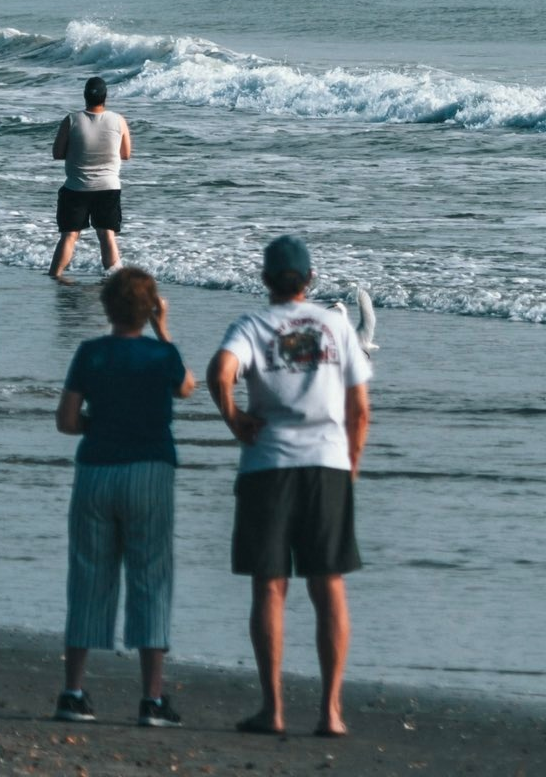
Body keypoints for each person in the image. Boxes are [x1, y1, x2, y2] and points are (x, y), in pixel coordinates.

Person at [207, 236, 371, 739]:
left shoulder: (252, 326)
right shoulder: (335, 325)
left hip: (268, 466)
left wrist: (235, 419)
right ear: (310, 279)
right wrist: (351, 464)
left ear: (265, 279)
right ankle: (330, 712)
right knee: (329, 587)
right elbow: (359, 408)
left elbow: (220, 373)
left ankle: (273, 708)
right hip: (326, 465)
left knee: (270, 587)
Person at [54, 267, 196, 726]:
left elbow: (67, 421)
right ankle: (152, 699)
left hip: (97, 470)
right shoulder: (162, 356)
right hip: (149, 471)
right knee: (150, 579)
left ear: (106, 307)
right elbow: (187, 386)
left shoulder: (91, 353)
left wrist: (100, 422)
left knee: (89, 577)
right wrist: (163, 328)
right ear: (150, 307)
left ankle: (73, 690)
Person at [49, 76, 131, 280]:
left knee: (69, 235)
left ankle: (55, 276)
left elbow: (57, 153)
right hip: (108, 187)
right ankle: (113, 278)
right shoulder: (118, 120)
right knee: (107, 235)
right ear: (106, 97)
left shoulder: (71, 120)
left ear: (84, 96)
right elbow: (126, 154)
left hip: (76, 187)